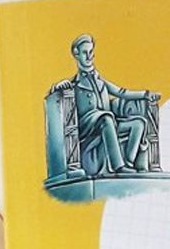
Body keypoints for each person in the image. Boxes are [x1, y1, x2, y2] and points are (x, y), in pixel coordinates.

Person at [51, 34, 158, 176]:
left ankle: (128, 163)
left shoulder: (100, 80)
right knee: (106, 118)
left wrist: (145, 94)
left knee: (139, 123)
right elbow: (56, 94)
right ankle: (118, 166)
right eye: (85, 53)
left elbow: (122, 92)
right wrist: (57, 86)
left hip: (108, 123)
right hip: (88, 126)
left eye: (91, 52)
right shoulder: (74, 84)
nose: (89, 57)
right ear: (76, 54)